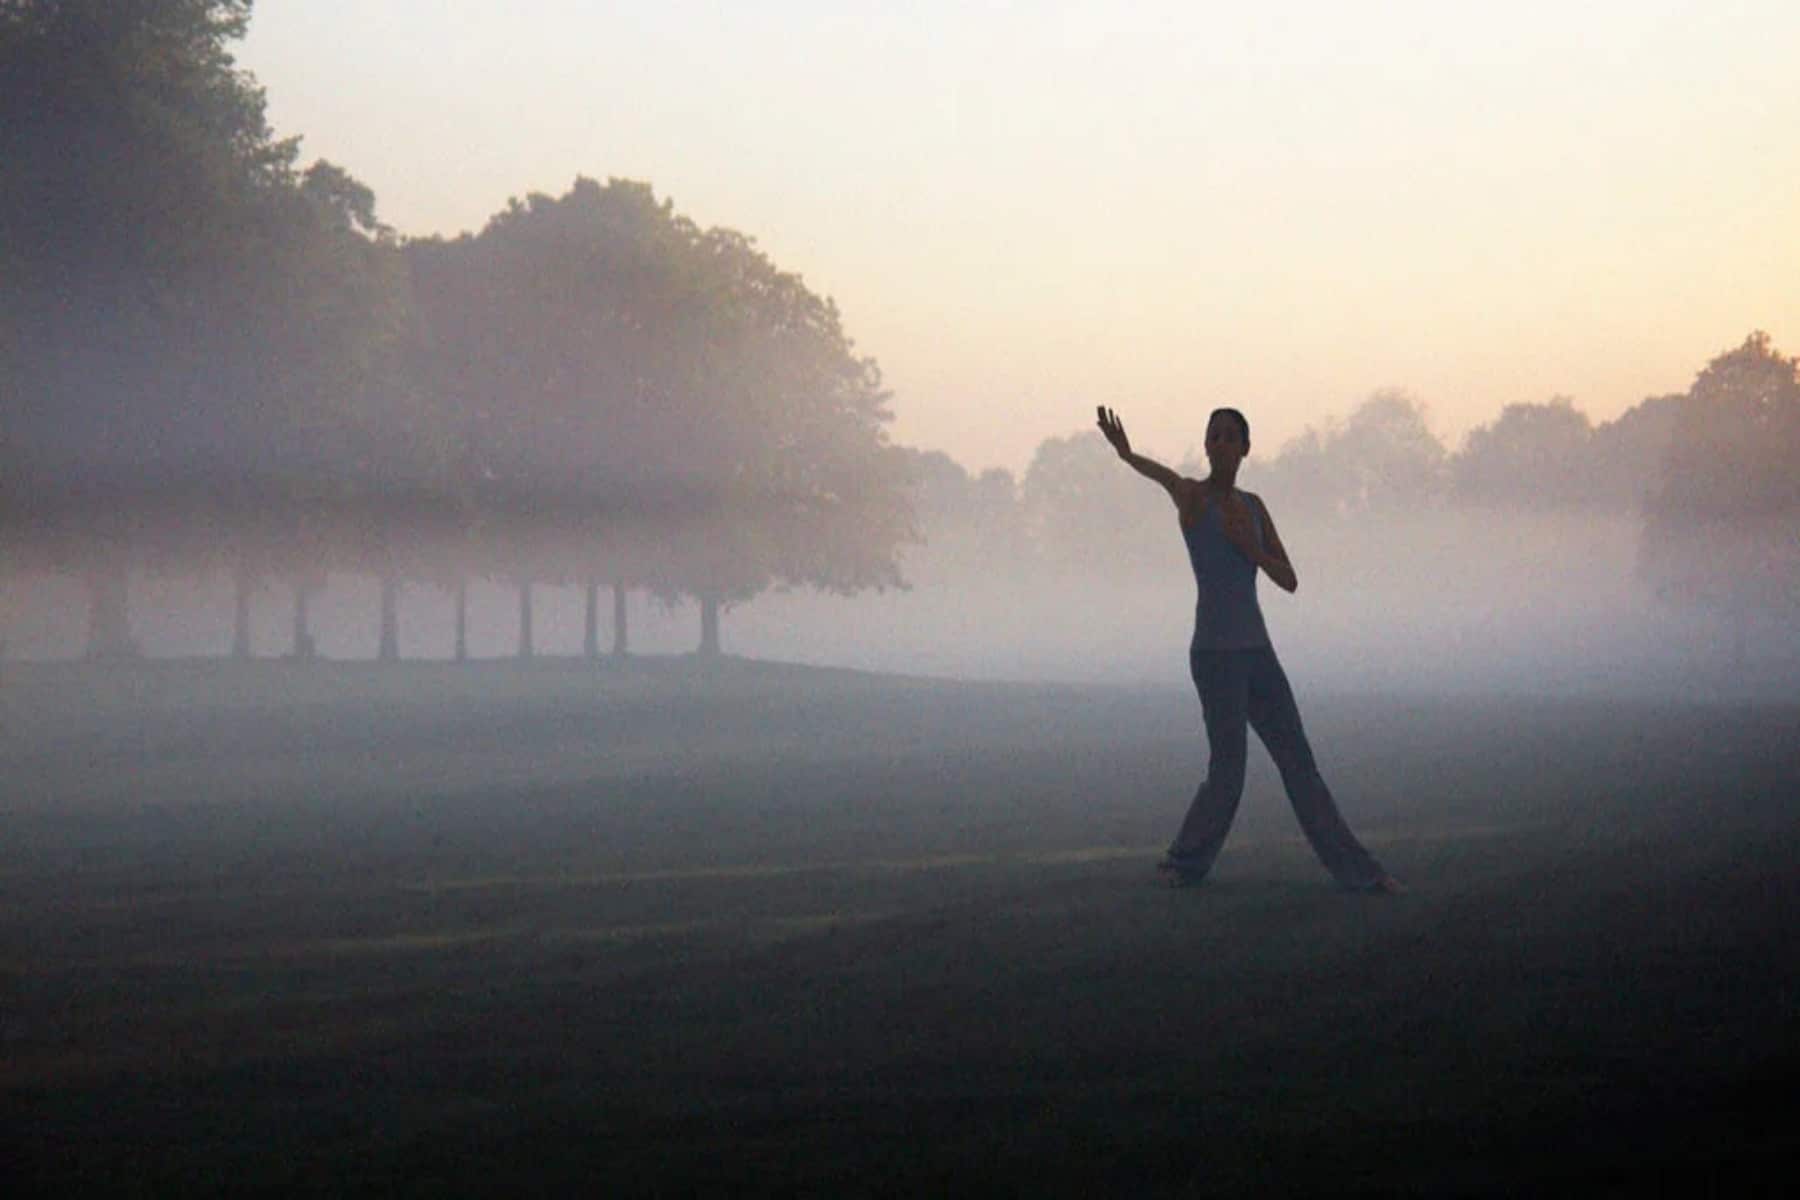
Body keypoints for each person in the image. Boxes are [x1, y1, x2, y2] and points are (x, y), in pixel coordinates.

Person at [1096, 405, 1405, 894]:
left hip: (1258, 655)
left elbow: (1290, 579)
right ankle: (1183, 864)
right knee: (1228, 772)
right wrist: (1126, 453)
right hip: (1215, 656)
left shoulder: (1256, 507)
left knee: (1300, 767)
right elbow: (1162, 477)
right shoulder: (1194, 498)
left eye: (1228, 436)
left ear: (1244, 448)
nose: (1218, 443)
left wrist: (1252, 550)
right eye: (1211, 436)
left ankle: (1362, 874)